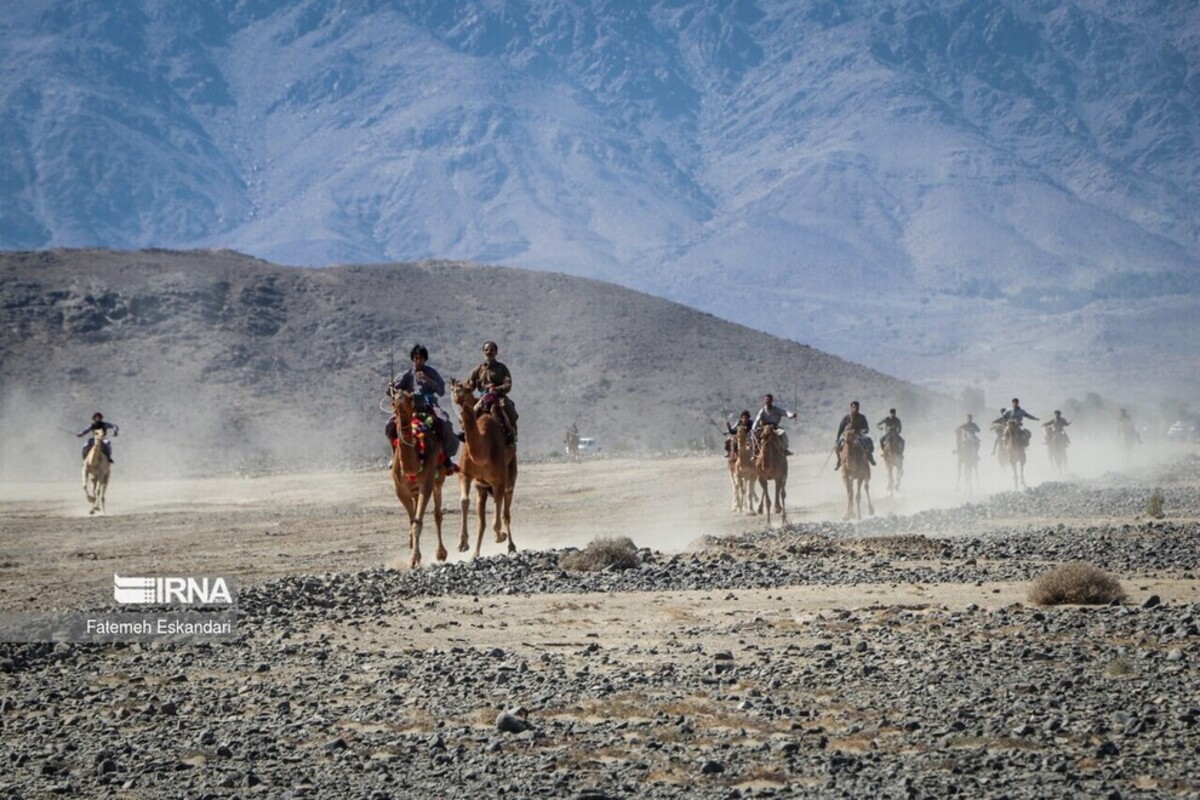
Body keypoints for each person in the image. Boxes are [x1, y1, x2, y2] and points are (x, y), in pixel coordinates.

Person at [386, 343, 459, 471]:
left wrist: (428, 379)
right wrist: (391, 387)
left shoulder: (431, 372)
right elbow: (393, 392)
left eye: (420, 358)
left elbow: (441, 391)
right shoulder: (407, 374)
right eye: (415, 358)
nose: (417, 361)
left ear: (425, 359)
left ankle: (447, 457)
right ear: (412, 359)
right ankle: (394, 455)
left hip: (429, 404)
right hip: (410, 407)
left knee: (444, 422)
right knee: (390, 425)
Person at [463, 340, 518, 445]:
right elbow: (470, 385)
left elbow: (508, 384)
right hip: (483, 397)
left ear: (496, 352)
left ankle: (511, 434)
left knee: (508, 408)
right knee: (471, 412)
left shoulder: (502, 368)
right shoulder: (477, 370)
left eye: (492, 350)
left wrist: (496, 390)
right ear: (483, 352)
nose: (489, 351)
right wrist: (461, 387)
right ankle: (465, 433)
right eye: (486, 349)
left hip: (499, 397)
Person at [834, 400, 875, 469]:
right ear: (851, 408)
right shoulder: (846, 418)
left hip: (858, 435)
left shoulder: (862, 417)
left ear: (859, 408)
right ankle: (839, 461)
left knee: (867, 443)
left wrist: (864, 430)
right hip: (847, 436)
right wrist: (837, 438)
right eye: (854, 407)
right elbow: (840, 429)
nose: (855, 409)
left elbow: (866, 428)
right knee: (837, 447)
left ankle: (870, 457)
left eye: (857, 407)